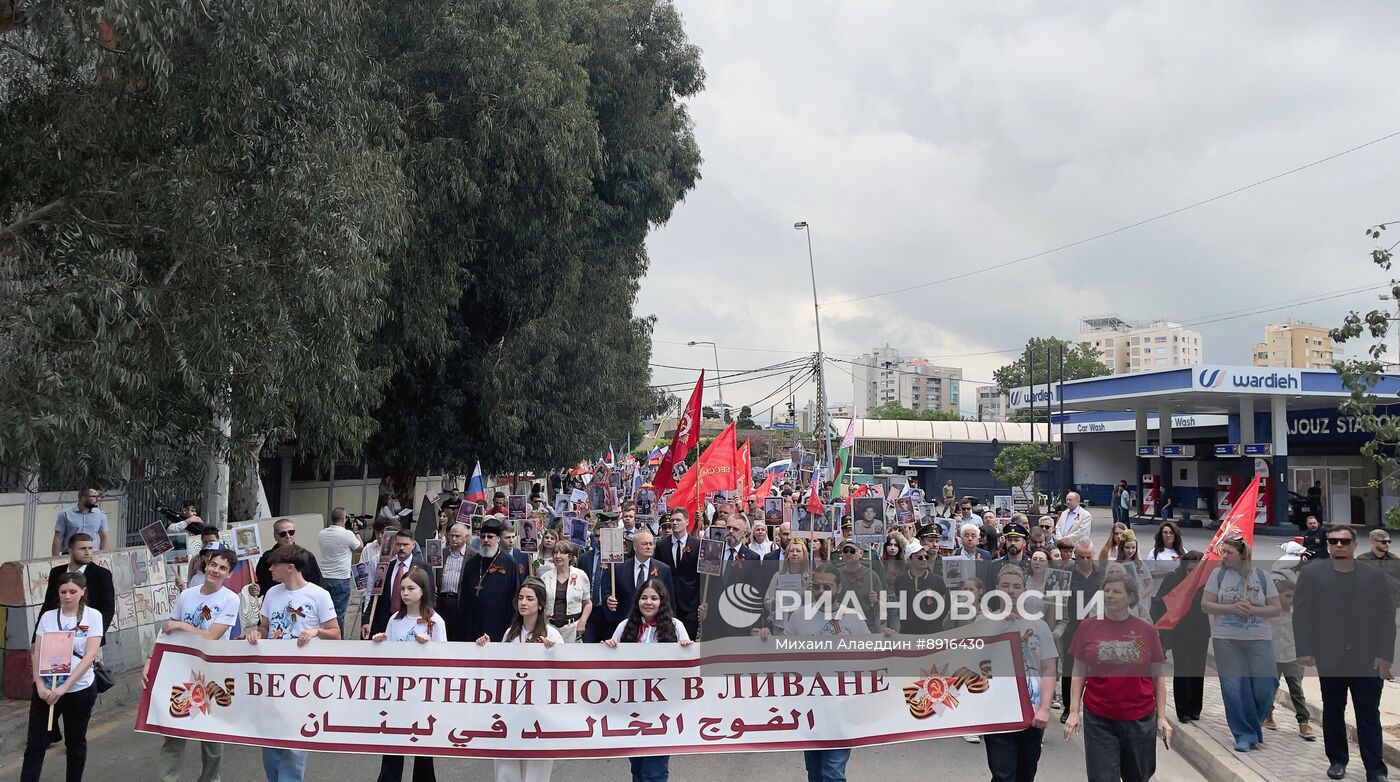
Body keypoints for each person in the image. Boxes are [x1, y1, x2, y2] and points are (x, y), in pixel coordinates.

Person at [1294, 523, 1396, 782]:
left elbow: (1386, 618)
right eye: (1333, 541)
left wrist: (1386, 656)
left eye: (1344, 541)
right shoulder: (1313, 575)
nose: (1338, 546)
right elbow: (1302, 616)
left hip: (1368, 659)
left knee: (1368, 714)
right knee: (1333, 710)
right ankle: (1337, 759)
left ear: (1354, 545)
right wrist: (1305, 650)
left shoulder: (1374, 577)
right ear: (1328, 545)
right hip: (1331, 658)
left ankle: (1375, 769)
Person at [757, 563, 868, 780]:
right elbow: (783, 654)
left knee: (833, 773)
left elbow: (870, 659)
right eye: (816, 586)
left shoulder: (853, 619)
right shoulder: (799, 617)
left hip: (841, 710)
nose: (820, 592)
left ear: (839, 588)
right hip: (809, 710)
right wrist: (766, 639)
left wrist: (888, 638)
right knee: (815, 772)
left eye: (826, 587)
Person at [1063, 573, 1171, 782]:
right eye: (1107, 591)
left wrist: (1162, 717)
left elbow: (1157, 676)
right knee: (1102, 777)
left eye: (1116, 591)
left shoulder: (1145, 631)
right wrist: (1074, 712)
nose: (1110, 595)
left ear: (1131, 598)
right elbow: (1078, 671)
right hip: (1099, 717)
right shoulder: (1089, 627)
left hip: (1140, 718)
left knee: (1138, 776)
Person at [246, 544, 340, 782]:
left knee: (295, 742)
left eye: (274, 565)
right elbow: (265, 627)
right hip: (273, 678)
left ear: (290, 568)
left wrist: (316, 631)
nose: (269, 569)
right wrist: (256, 633)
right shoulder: (272, 594)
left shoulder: (319, 595)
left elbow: (335, 632)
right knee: (270, 739)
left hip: (303, 678)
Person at [146, 548, 240, 782]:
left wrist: (183, 626)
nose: (215, 571)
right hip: (179, 669)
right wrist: (150, 660)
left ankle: (209, 779)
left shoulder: (230, 599)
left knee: (211, 737)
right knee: (173, 731)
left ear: (228, 574)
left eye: (222, 568)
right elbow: (167, 630)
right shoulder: (187, 595)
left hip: (213, 670)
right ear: (206, 565)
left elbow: (211, 636)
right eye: (213, 565)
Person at [971, 565, 1057, 781]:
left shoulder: (1039, 626)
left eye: (1016, 586)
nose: (1011, 591)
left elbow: (1048, 668)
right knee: (1003, 774)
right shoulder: (982, 622)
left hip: (1032, 710)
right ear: (996, 589)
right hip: (998, 711)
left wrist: (1045, 708)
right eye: (1006, 586)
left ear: (1024, 590)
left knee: (1026, 773)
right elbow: (971, 661)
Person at [604, 579, 692, 782]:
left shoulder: (676, 626)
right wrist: (607, 647)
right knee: (637, 768)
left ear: (662, 601)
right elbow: (610, 666)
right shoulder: (625, 626)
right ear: (637, 601)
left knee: (655, 771)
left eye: (654, 598)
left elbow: (688, 668)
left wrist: (687, 647)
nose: (649, 603)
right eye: (644, 598)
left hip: (662, 712)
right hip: (632, 711)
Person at [21, 572, 103, 782]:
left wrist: (64, 687)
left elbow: (90, 655)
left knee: (75, 742)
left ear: (83, 592)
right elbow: (37, 653)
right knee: (36, 743)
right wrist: (39, 685)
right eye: (63, 591)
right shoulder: (48, 617)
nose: (67, 596)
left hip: (79, 689)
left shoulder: (93, 616)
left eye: (73, 592)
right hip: (46, 689)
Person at [1201, 536, 1280, 752]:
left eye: (1229, 552)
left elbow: (1275, 608)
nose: (1224, 556)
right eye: (1223, 552)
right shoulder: (1218, 575)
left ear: (1242, 554)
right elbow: (1206, 605)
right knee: (1235, 688)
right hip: (1226, 638)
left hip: (1259, 639)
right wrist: (1230, 608)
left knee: (1266, 686)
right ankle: (1245, 734)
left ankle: (1253, 726)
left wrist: (1253, 610)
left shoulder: (1262, 576)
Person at [478, 579, 561, 782]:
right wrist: (486, 648)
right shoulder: (511, 633)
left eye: (529, 599)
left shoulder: (552, 635)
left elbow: (563, 676)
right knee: (507, 765)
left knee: (536, 769)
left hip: (540, 713)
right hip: (511, 711)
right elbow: (500, 670)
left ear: (540, 604)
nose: (523, 603)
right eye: (521, 598)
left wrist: (555, 653)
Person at [371, 567, 444, 782]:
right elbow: (389, 656)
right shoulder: (395, 619)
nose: (405, 593)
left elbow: (444, 656)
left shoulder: (434, 621)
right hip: (398, 693)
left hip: (423, 693)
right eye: (402, 588)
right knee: (393, 744)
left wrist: (428, 647)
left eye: (411, 588)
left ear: (423, 591)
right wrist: (381, 643)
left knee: (423, 748)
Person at [1149, 551, 1209, 723]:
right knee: (1183, 669)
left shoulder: (1204, 581)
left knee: (1198, 670)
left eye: (1196, 570)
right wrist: (1157, 630)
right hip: (1179, 631)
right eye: (1190, 570)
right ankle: (1182, 709)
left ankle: (1195, 708)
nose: (1192, 573)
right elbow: (1159, 603)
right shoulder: (1173, 578)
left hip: (1200, 630)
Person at [456, 518, 524, 643]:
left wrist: (512, 627)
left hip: (499, 623)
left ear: (498, 538)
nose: (486, 540)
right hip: (473, 624)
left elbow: (514, 596)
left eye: (490, 536)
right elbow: (464, 596)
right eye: (483, 537)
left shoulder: (509, 563)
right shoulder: (471, 563)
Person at [1264, 579, 1316, 741]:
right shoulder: (1269, 612)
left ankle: (1303, 722)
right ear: (1277, 596)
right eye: (1287, 596)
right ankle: (1268, 715)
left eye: (1293, 596)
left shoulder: (1299, 614)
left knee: (1296, 690)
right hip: (1272, 656)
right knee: (1269, 688)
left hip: (1292, 657)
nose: (1290, 600)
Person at [362, 529, 433, 638]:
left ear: (413, 545)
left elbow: (429, 598)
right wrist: (366, 620)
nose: (401, 548)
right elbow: (375, 595)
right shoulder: (385, 567)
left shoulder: (423, 568)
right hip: (384, 623)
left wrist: (425, 622)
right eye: (398, 544)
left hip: (412, 622)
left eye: (405, 545)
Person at [253, 519, 323, 598]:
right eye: (283, 534)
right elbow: (263, 584)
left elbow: (316, 583)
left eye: (291, 532)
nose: (288, 536)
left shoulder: (307, 556)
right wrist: (257, 589)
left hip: (300, 602)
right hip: (276, 600)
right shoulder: (267, 558)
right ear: (275, 536)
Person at [319, 507, 364, 630]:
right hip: (341, 579)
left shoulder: (322, 533)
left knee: (324, 613)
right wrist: (356, 532)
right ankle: (337, 640)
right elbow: (360, 548)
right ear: (343, 519)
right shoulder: (347, 534)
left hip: (324, 577)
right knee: (339, 614)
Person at [541, 541, 592, 642]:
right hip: (550, 627)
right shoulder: (545, 577)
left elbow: (587, 603)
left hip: (572, 628)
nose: (558, 556)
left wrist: (583, 621)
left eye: (562, 553)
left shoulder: (581, 576)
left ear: (569, 557)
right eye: (555, 553)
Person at [438, 523, 475, 641]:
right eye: (451, 535)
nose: (454, 539)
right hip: (441, 601)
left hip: (460, 602)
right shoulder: (442, 553)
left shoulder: (473, 555)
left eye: (458, 536)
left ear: (466, 537)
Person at [52, 486, 109, 555]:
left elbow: (104, 537)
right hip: (70, 555)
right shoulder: (65, 514)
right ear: (82, 498)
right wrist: (55, 559)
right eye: (93, 496)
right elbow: (58, 538)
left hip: (91, 555)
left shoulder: (101, 515)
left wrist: (102, 557)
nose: (97, 499)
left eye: (97, 496)